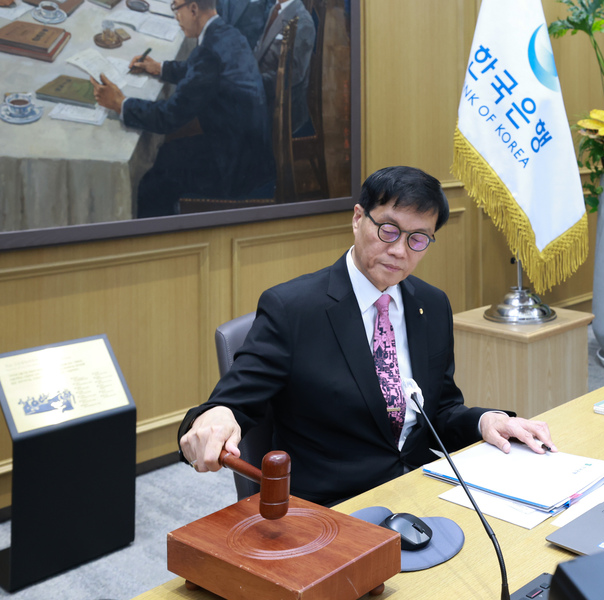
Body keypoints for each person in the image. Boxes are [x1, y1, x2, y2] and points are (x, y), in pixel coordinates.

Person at [177, 166, 557, 506]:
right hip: (334, 506)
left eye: (418, 239)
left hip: (421, 491)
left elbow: (437, 409)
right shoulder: (292, 308)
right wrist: (217, 415)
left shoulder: (431, 304)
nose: (398, 250)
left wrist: (485, 421)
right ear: (358, 218)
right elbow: (234, 401)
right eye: (388, 229)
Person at [91, 0, 273, 218]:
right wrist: (161, 68)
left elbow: (168, 117)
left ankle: (161, 242)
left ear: (194, 9)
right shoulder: (227, 34)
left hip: (234, 167)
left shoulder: (208, 53)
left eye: (176, 8)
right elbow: (200, 72)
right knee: (166, 154)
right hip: (250, 151)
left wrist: (120, 104)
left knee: (151, 181)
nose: (176, 16)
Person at [254, 0, 316, 135]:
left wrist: (257, 83)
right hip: (263, 92)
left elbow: (293, 75)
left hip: (283, 107)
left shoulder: (303, 21)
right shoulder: (275, 9)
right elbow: (260, 49)